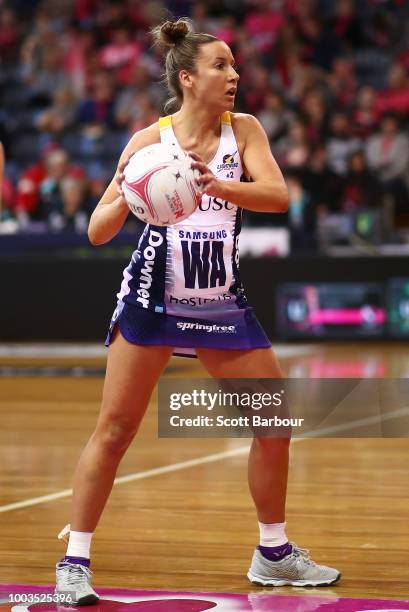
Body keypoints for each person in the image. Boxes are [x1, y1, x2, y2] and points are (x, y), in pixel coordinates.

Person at [55, 18, 341, 605]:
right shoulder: (145, 144)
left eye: (234, 65)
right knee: (115, 430)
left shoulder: (246, 131)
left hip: (220, 302)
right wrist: (132, 194)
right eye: (221, 66)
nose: (234, 75)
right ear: (187, 78)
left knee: (274, 424)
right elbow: (95, 230)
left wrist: (213, 186)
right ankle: (74, 563)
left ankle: (274, 553)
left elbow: (279, 195)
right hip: (153, 300)